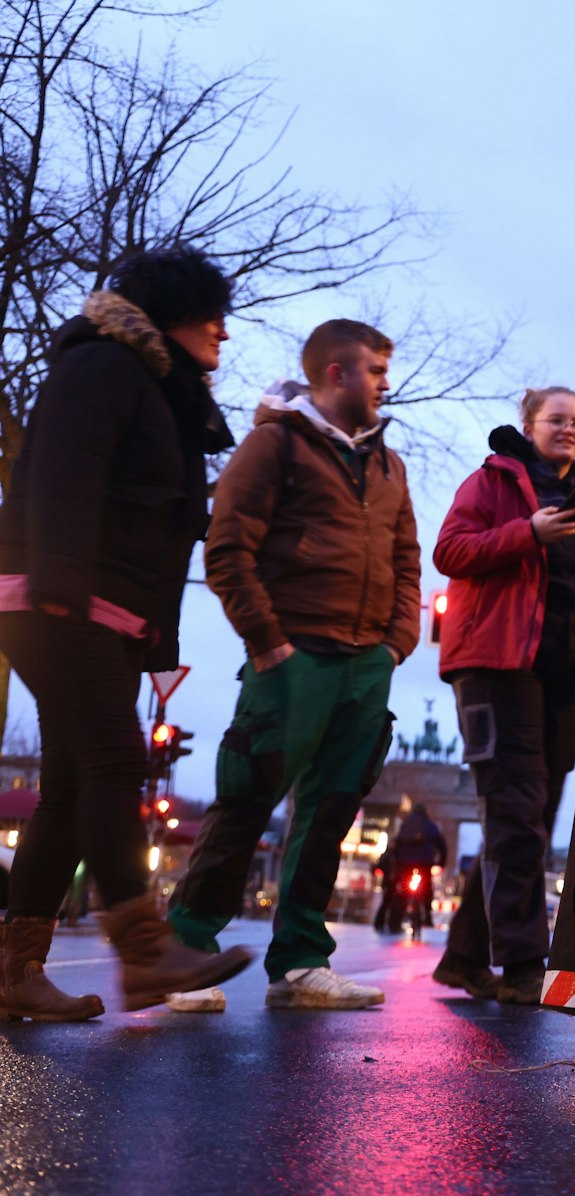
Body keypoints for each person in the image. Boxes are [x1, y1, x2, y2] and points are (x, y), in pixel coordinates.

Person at [0, 247, 254, 1018]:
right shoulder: (103, 367)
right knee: (115, 761)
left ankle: (14, 971)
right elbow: (59, 481)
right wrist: (60, 593)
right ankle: (145, 955)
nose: (224, 333)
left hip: (97, 609)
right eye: (213, 316)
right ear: (174, 311)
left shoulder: (158, 392)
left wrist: (154, 639)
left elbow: (164, 530)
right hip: (54, 600)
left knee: (76, 784)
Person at [166, 319, 421, 1010]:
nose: (385, 382)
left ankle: (302, 961)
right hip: (292, 656)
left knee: (331, 813)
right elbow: (227, 549)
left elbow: (406, 560)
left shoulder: (389, 465)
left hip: (366, 662)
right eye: (375, 369)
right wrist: (269, 643)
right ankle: (185, 951)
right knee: (246, 803)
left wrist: (397, 641)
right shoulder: (272, 445)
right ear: (336, 373)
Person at [430, 387, 575, 1004]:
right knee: (514, 811)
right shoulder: (490, 484)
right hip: (496, 666)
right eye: (556, 420)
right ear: (529, 424)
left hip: (562, 675)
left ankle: (464, 959)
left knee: (533, 820)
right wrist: (527, 533)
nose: (569, 430)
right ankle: (521, 965)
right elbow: (449, 552)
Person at [378, 803, 447, 933]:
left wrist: (397, 863)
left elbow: (397, 844)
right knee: (426, 887)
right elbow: (442, 845)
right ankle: (427, 915)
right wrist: (441, 863)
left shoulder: (405, 825)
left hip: (404, 862)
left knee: (402, 890)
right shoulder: (429, 826)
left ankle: (395, 923)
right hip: (425, 862)